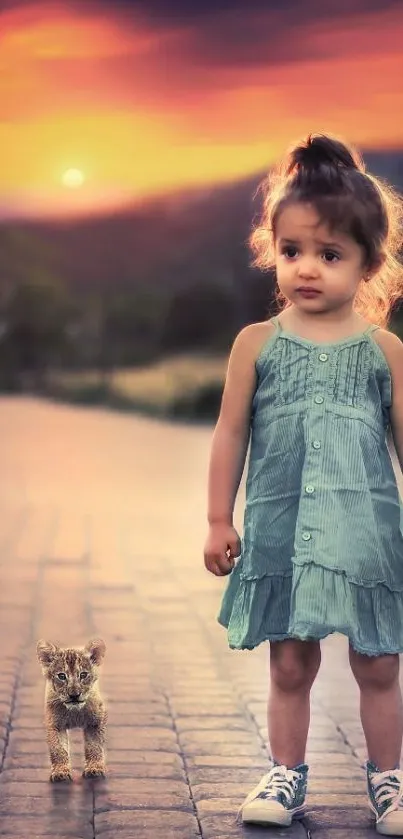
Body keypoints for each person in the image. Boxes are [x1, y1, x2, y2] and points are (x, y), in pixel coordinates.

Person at [203, 133, 403, 835]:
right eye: (291, 252)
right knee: (289, 661)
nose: (306, 269)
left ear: (367, 261)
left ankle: (388, 780)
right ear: (272, 251)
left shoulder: (384, 351)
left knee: (379, 662)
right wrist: (217, 518)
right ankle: (285, 773)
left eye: (328, 254)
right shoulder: (255, 343)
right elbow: (230, 431)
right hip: (284, 529)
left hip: (368, 532)